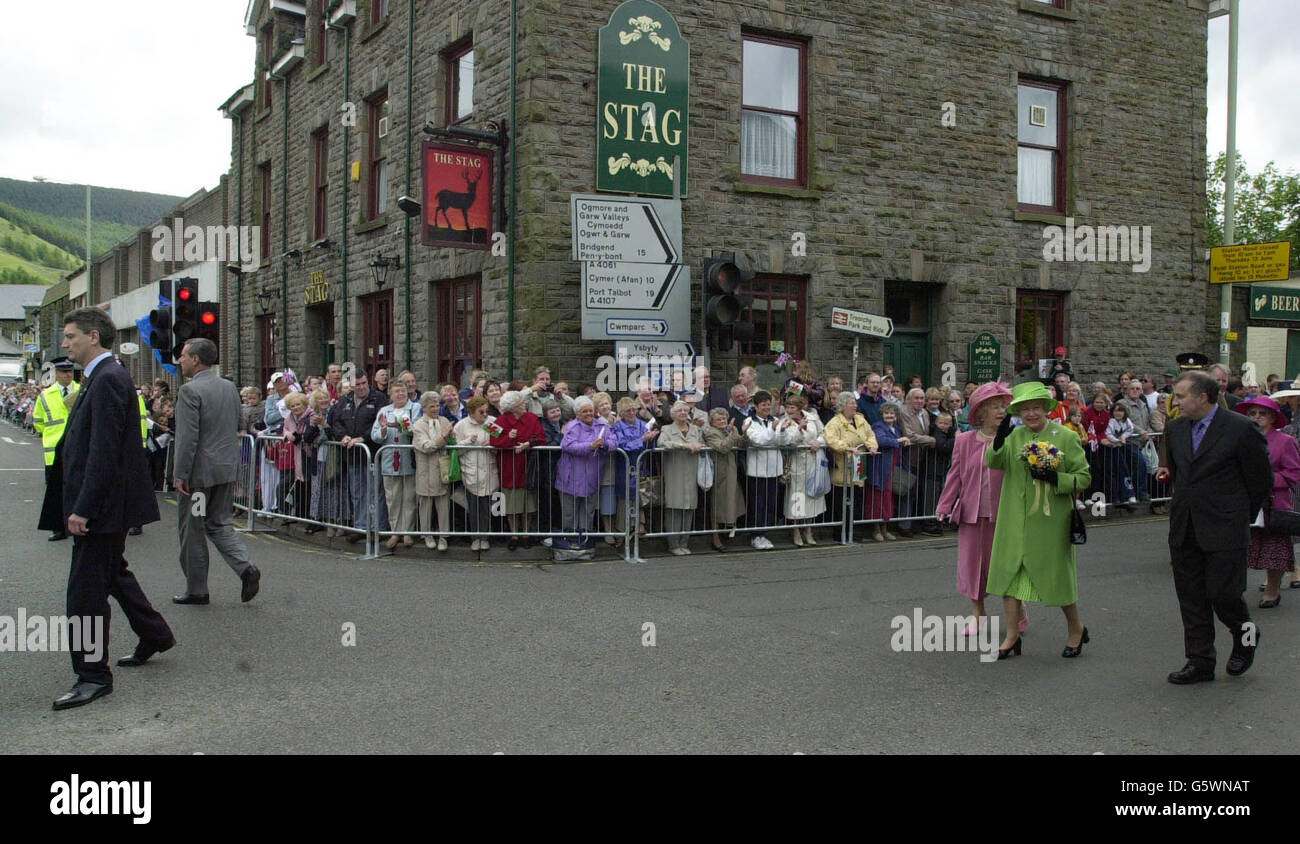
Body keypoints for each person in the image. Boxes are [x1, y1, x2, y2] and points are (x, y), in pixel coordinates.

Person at [53, 307, 175, 710]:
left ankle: (92, 676)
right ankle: (155, 634)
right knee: (114, 575)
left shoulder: (107, 379)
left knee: (84, 595)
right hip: (107, 504)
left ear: (93, 336)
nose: (65, 343)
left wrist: (83, 508)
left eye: (71, 336)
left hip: (102, 507)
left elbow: (104, 452)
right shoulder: (101, 376)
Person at [1156, 371, 1272, 684]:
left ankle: (1246, 637)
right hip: (1186, 526)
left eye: (1181, 396)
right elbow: (1181, 475)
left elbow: (1260, 480)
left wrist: (1237, 514)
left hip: (1226, 527)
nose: (1175, 402)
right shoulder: (1177, 428)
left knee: (1226, 596)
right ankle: (1199, 661)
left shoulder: (1240, 428)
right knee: (1191, 598)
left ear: (1203, 397)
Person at [985, 381, 1091, 661]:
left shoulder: (1065, 437)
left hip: (1049, 521)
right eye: (1025, 409)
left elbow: (1084, 477)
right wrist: (998, 439)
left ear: (1046, 409)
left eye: (1036, 408)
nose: (1031, 414)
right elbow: (994, 463)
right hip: (1013, 519)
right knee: (1008, 577)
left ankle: (1076, 629)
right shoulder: (1015, 435)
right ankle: (1011, 636)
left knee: (1058, 579)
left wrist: (1058, 479)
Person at [171, 337, 260, 606]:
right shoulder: (229, 387)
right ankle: (246, 568)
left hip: (198, 477)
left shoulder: (190, 391)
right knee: (220, 523)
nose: (180, 360)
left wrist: (180, 473)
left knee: (193, 529)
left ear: (196, 359)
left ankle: (197, 589)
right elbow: (238, 422)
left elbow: (188, 437)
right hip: (225, 469)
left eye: (184, 356)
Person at [936, 382, 1022, 636]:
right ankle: (978, 615)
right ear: (981, 412)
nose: (1000, 412)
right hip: (972, 512)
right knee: (973, 566)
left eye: (1003, 407)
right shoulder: (963, 441)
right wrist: (944, 504)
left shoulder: (1013, 440)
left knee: (1007, 565)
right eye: (995, 407)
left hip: (1004, 514)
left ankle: (1019, 611)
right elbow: (955, 476)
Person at [1232, 397, 1300, 607]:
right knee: (1237, 550)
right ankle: (1232, 592)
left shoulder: (1285, 442)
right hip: (1243, 503)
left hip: (1273, 503)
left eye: (1262, 414)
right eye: (1252, 413)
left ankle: (1272, 591)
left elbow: (1293, 474)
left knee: (1274, 550)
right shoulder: (1240, 439)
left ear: (1272, 418)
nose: (1256, 417)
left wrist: (1266, 481)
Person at [328, 370, 387, 543]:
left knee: (375, 492)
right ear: (351, 386)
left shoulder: (379, 399)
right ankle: (361, 526)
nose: (361, 387)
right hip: (353, 454)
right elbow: (336, 422)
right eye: (357, 385)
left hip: (372, 453)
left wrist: (363, 438)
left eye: (364, 383)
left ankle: (377, 527)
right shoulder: (345, 400)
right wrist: (343, 436)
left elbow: (380, 422)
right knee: (358, 493)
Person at [490, 390, 545, 550]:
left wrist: (528, 444)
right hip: (509, 468)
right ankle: (514, 534)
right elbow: (493, 441)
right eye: (521, 403)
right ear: (513, 407)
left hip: (528, 467)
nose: (524, 404)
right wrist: (510, 438)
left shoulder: (532, 418)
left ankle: (526, 534)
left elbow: (541, 438)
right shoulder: (499, 421)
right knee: (511, 505)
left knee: (528, 504)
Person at [743, 390, 796, 549]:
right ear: (756, 406)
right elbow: (758, 441)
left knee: (770, 504)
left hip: (773, 470)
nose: (767, 407)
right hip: (757, 471)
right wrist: (773, 430)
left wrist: (782, 430)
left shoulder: (775, 420)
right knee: (757, 505)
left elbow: (784, 441)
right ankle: (755, 535)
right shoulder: (749, 421)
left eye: (768, 404)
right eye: (763, 405)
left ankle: (764, 534)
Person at [35, 356, 80, 542]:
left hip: (77, 447)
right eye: (63, 372)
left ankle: (78, 525)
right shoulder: (46, 395)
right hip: (54, 450)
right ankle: (58, 528)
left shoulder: (82, 390)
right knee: (55, 491)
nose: (67, 375)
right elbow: (38, 422)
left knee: (78, 488)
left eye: (70, 371)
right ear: (56, 374)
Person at [371, 381, 419, 550]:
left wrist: (407, 428)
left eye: (403, 391)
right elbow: (375, 435)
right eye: (397, 391)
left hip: (408, 458)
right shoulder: (384, 411)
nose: (400, 394)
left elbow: (418, 431)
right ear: (390, 395)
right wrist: (384, 429)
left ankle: (408, 532)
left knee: (409, 497)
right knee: (393, 498)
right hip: (390, 460)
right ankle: (395, 532)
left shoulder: (415, 409)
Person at [823, 391, 878, 537]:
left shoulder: (860, 420)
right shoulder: (835, 422)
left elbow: (870, 434)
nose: (855, 405)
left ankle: (851, 531)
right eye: (851, 403)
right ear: (843, 405)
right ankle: (839, 532)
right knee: (841, 503)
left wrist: (872, 446)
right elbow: (830, 439)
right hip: (842, 466)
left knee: (856, 502)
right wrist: (846, 447)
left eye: (855, 402)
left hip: (859, 466)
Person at [555, 396, 608, 549]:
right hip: (570, 476)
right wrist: (590, 446)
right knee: (569, 512)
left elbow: (612, 441)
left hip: (591, 475)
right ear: (578, 414)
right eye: (584, 411)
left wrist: (605, 445)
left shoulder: (601, 425)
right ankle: (570, 541)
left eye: (590, 410)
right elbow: (568, 445)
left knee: (588, 511)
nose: (588, 413)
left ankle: (586, 541)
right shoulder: (572, 427)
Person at [658, 400, 704, 555]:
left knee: (689, 508)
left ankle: (684, 542)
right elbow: (662, 443)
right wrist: (684, 446)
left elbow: (701, 444)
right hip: (674, 473)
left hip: (691, 472)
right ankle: (673, 544)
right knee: (674, 508)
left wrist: (699, 446)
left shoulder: (696, 430)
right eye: (679, 411)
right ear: (673, 414)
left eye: (686, 410)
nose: (683, 413)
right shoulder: (666, 428)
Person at [780, 393, 826, 546]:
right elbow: (788, 442)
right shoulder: (784, 422)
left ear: (800, 408)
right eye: (787, 407)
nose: (789, 410)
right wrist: (798, 429)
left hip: (813, 461)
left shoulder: (813, 417)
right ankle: (796, 531)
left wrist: (818, 442)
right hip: (797, 461)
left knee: (812, 496)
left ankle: (808, 531)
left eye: (792, 407)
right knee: (797, 496)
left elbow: (823, 433)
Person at [411, 391, 454, 551]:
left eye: (437, 405)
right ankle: (427, 535)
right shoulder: (418, 426)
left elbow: (450, 442)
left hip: (442, 469)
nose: (435, 408)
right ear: (424, 408)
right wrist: (443, 437)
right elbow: (426, 446)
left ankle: (444, 537)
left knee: (443, 504)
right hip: (425, 470)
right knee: (426, 505)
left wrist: (451, 436)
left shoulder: (444, 420)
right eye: (432, 406)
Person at [701, 407, 745, 552]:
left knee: (730, 503)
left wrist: (745, 434)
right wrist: (732, 434)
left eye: (724, 419)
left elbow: (741, 444)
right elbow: (723, 447)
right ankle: (715, 538)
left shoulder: (731, 429)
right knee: (717, 506)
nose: (722, 421)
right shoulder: (711, 433)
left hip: (731, 471)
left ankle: (727, 531)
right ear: (712, 422)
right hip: (718, 474)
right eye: (718, 419)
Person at [897, 387, 940, 537]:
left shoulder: (925, 413)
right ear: (909, 399)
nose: (920, 401)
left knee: (917, 492)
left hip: (922, 457)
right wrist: (931, 441)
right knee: (907, 491)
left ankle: (914, 522)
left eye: (922, 398)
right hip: (908, 456)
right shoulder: (904, 412)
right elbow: (910, 435)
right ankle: (904, 525)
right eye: (917, 398)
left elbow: (925, 432)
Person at [866, 401, 910, 541]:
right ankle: (876, 530)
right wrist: (898, 441)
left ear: (896, 415)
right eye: (886, 413)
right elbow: (881, 440)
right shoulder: (878, 426)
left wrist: (904, 441)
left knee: (888, 501)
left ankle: (885, 529)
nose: (889, 415)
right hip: (880, 469)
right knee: (877, 500)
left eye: (892, 413)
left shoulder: (896, 428)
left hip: (893, 467)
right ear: (882, 414)